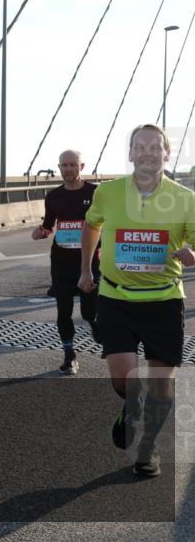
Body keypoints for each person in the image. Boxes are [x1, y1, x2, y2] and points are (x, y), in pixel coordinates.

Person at [79, 124, 194, 477]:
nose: (147, 152)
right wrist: (86, 270)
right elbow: (92, 225)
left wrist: (192, 253)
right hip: (116, 297)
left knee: (163, 386)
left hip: (163, 301)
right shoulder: (109, 193)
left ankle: (148, 449)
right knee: (123, 380)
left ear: (166, 154)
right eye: (139, 147)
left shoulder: (186, 199)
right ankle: (132, 403)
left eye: (154, 147)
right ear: (130, 154)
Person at [31, 150, 100, 374]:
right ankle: (69, 355)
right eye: (64, 165)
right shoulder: (53, 196)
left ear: (82, 166)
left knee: (90, 312)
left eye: (73, 165)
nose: (68, 169)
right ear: (59, 168)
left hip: (90, 262)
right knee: (64, 311)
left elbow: (107, 223)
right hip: (62, 262)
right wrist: (41, 232)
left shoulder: (96, 192)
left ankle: (95, 326)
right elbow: (49, 225)